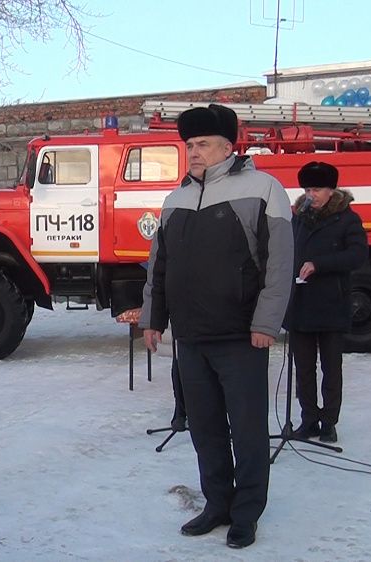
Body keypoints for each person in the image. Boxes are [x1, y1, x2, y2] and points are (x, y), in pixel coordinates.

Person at [141, 104, 293, 549]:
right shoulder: (176, 199)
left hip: (242, 335)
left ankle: (246, 513)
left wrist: (266, 321)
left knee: (246, 430)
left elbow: (279, 265)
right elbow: (159, 266)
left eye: (202, 144)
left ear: (229, 146)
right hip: (192, 337)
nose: (193, 153)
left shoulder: (264, 189)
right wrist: (153, 317)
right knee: (205, 427)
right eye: (189, 145)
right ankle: (218, 504)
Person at [284, 162, 368, 443]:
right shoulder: (298, 217)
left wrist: (318, 264)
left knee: (331, 368)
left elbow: (357, 256)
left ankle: (329, 422)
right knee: (303, 369)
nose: (311, 195)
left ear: (331, 191)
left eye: (317, 189)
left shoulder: (347, 219)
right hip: (301, 305)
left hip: (332, 304)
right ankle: (308, 419)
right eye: (307, 189)